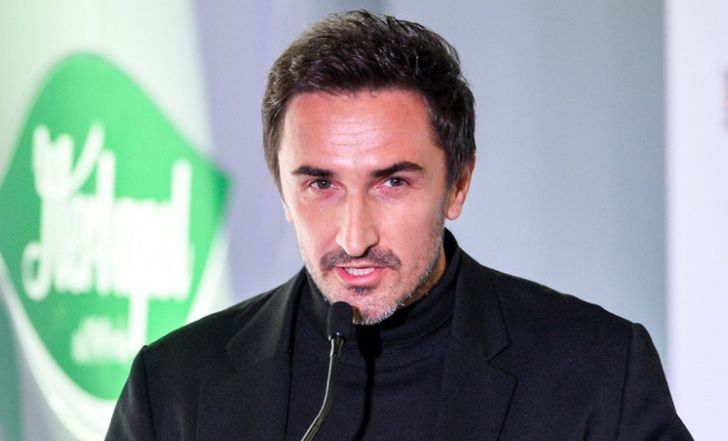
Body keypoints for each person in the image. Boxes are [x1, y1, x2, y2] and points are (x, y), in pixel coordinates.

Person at [106, 10, 692, 441]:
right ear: (282, 188)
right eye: (321, 184)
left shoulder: (597, 370)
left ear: (458, 183)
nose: (354, 237)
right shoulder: (174, 385)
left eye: (392, 183)